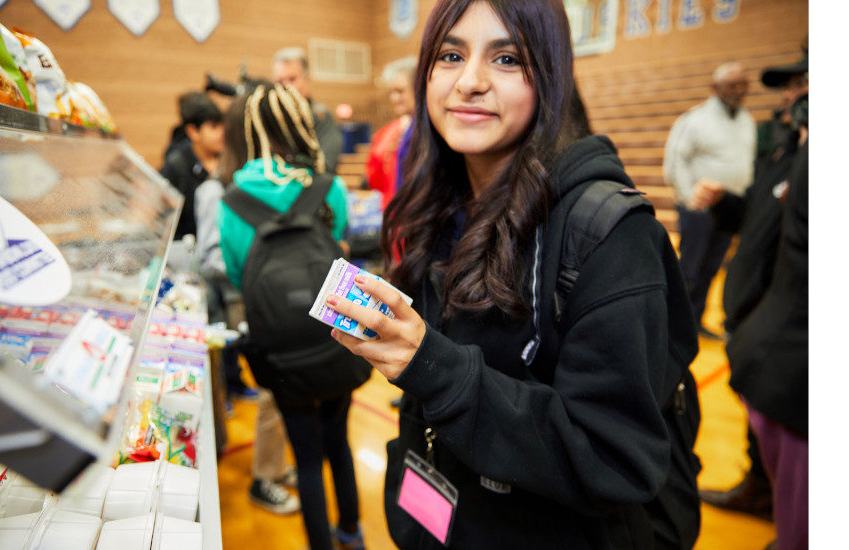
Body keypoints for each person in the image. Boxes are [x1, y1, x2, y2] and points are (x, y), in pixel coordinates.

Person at [325, 1, 700, 548]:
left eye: (506, 58)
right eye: (451, 54)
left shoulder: (612, 235)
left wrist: (433, 366)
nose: (470, 82)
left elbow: (616, 459)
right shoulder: (440, 205)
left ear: (550, 75)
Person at [217, 82, 365, 550]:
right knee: (338, 441)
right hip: (334, 336)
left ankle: (320, 542)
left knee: (303, 455)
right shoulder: (328, 187)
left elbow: (240, 277)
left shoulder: (231, 199)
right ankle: (353, 532)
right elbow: (339, 256)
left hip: (278, 349)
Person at [691, 52, 809, 550]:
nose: (790, 96)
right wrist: (726, 206)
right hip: (754, 316)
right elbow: (758, 219)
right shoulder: (782, 151)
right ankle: (759, 490)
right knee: (764, 443)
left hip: (777, 325)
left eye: (802, 85)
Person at [193, 91, 300, 517]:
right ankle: (264, 475)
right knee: (274, 393)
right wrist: (261, 264)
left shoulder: (265, 184)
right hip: (246, 300)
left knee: (288, 390)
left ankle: (274, 466)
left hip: (273, 298)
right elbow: (209, 255)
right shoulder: (214, 190)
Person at [663, 62, 756, 339]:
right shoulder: (695, 120)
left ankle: (694, 322)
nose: (738, 90)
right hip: (699, 210)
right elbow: (675, 161)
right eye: (731, 85)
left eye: (743, 84)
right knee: (689, 269)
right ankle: (671, 326)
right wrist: (690, 198)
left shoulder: (748, 121)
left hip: (731, 210)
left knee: (711, 268)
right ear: (715, 88)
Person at [160, 92, 225, 240]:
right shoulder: (175, 166)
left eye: (223, 126)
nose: (222, 133)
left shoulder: (228, 161)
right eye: (214, 127)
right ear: (193, 131)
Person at [271, 47, 344, 173]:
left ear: (307, 80)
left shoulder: (321, 116)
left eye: (292, 79)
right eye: (280, 81)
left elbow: (326, 165)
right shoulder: (272, 119)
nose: (285, 87)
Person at [367, 56, 416, 210]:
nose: (395, 98)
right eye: (392, 92)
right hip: (393, 213)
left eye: (401, 91)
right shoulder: (385, 134)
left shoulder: (435, 130)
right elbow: (374, 179)